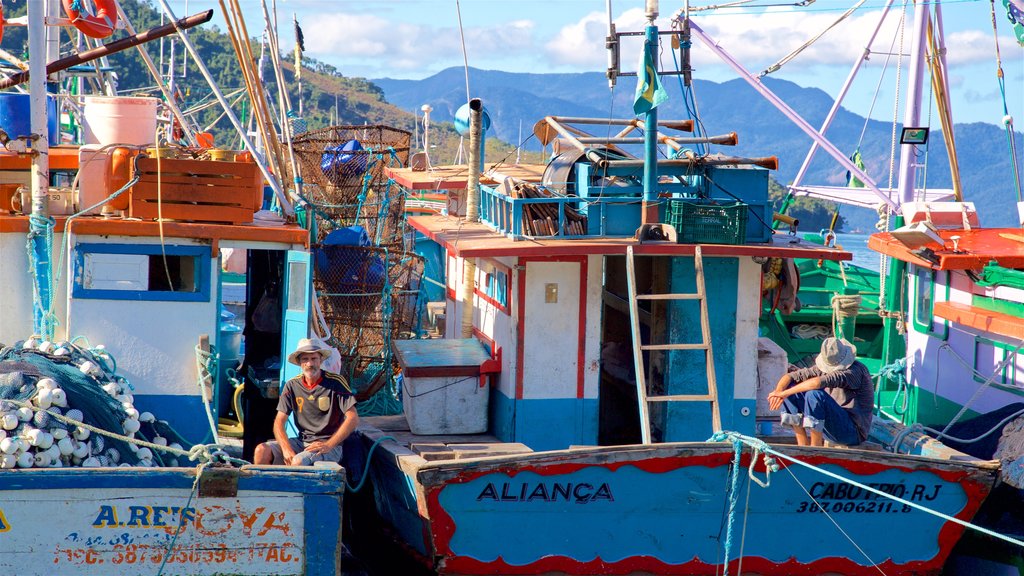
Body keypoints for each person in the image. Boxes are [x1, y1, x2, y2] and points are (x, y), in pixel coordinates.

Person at [254, 338, 359, 465]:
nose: (310, 364)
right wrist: (286, 449)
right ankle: (262, 485)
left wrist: (329, 444)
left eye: (314, 358)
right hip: (301, 442)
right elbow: (279, 422)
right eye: (305, 359)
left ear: (321, 360)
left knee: (298, 461)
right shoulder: (291, 385)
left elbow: (353, 418)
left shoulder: (336, 382)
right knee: (261, 450)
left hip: (329, 446)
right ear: (299, 362)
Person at [767, 337, 874, 447]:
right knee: (790, 389)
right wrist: (779, 392)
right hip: (831, 428)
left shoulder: (854, 371)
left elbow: (818, 382)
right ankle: (802, 444)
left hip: (852, 432)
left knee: (814, 395)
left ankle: (815, 446)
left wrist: (784, 393)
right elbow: (791, 376)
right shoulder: (822, 369)